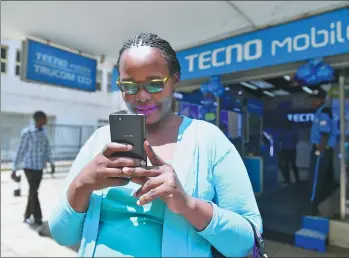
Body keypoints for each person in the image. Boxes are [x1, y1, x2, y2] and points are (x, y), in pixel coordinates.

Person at [49, 33, 262, 257]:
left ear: (175, 80)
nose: (141, 96)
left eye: (154, 84)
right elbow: (63, 235)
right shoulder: (99, 140)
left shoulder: (208, 139)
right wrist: (82, 184)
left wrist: (187, 205)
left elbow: (248, 242)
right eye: (129, 86)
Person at [12, 111, 55, 226]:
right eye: (44, 118)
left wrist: (51, 163)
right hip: (29, 167)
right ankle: (37, 217)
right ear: (38, 119)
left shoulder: (44, 133)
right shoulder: (27, 133)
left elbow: (47, 149)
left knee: (33, 191)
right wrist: (14, 168)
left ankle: (26, 216)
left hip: (39, 167)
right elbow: (21, 150)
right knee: (33, 190)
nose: (46, 120)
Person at [308, 96, 337, 215]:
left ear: (321, 100)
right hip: (326, 149)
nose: (312, 102)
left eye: (314, 99)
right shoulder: (321, 111)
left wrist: (319, 150)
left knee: (316, 178)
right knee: (324, 178)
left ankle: (314, 202)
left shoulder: (324, 111)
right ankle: (322, 202)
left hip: (322, 150)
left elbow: (324, 133)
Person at [280, 120, 300, 185]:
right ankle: (288, 180)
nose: (286, 124)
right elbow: (280, 139)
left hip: (292, 150)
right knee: (286, 166)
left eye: (287, 123)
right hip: (285, 150)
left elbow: (296, 139)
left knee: (293, 165)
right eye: (285, 123)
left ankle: (297, 179)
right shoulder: (283, 131)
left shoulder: (293, 131)